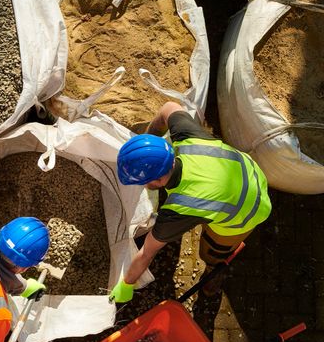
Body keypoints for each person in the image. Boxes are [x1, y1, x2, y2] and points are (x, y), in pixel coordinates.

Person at [109, 102, 272, 303]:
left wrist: (127, 283)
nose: (141, 186)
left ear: (158, 180)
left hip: (248, 209)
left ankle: (214, 271)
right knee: (205, 210)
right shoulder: (186, 136)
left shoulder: (179, 209)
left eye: (142, 183)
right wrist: (151, 139)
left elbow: (146, 253)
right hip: (251, 172)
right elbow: (168, 107)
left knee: (210, 251)